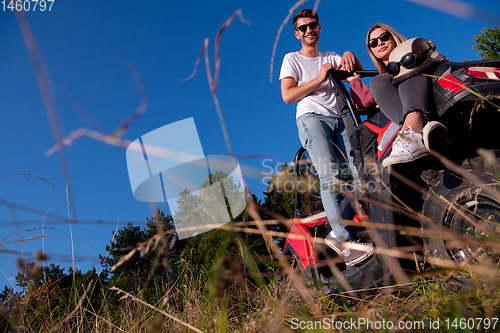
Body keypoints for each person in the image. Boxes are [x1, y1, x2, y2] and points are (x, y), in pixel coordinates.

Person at [279, 9, 373, 266]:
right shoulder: (292, 59)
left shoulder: (331, 55)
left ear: (319, 28)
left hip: (340, 119)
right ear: (297, 34)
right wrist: (320, 78)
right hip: (312, 118)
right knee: (330, 174)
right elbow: (287, 96)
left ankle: (344, 225)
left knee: (361, 173)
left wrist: (351, 57)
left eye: (313, 26)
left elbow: (357, 75)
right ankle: (344, 242)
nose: (309, 30)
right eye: (304, 28)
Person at [349, 24, 447, 168]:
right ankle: (421, 130)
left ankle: (413, 129)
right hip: (403, 111)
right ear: (371, 50)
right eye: (373, 43)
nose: (380, 43)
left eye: (384, 37)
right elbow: (365, 102)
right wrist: (354, 81)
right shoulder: (381, 81)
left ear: (393, 36)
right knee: (377, 82)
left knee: (405, 66)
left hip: (433, 96)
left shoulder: (418, 51)